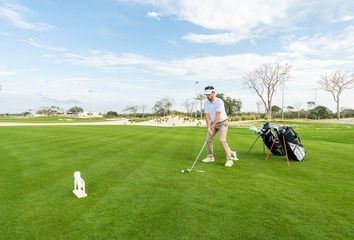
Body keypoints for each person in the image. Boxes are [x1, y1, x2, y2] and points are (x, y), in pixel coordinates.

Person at [202, 86, 239, 167]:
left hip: (223, 122)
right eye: (206, 95)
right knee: (208, 139)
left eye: (209, 94)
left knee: (222, 140)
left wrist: (212, 127)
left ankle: (229, 159)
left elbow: (217, 115)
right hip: (213, 123)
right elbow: (207, 116)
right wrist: (209, 127)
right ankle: (210, 157)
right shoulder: (206, 103)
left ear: (213, 93)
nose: (207, 96)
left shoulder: (219, 102)